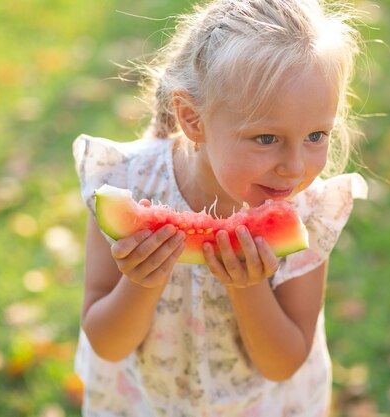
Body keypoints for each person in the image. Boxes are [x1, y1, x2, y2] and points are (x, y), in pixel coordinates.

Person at [72, 0, 369, 415]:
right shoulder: (125, 181)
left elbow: (283, 363)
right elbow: (105, 343)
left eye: (317, 135)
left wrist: (248, 288)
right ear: (193, 119)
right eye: (266, 138)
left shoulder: (309, 215)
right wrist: (140, 281)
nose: (295, 166)